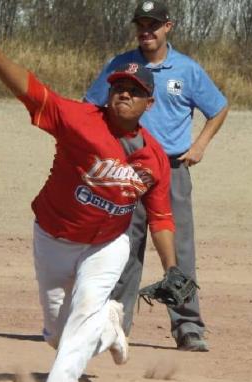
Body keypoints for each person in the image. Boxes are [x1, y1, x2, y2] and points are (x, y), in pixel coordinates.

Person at [0, 25, 180, 382]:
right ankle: (111, 324)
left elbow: (160, 217)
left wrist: (172, 268)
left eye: (136, 91)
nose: (125, 94)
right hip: (54, 238)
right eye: (118, 88)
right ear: (108, 94)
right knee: (58, 336)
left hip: (108, 245)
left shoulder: (155, 159)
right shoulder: (79, 120)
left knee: (81, 320)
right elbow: (32, 92)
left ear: (150, 103)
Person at [84, 0, 229, 352]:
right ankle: (114, 327)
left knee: (179, 252)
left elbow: (219, 106)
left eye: (153, 25)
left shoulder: (187, 69)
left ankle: (188, 327)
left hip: (171, 170)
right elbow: (90, 106)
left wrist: (200, 145)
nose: (146, 31)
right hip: (126, 171)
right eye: (141, 25)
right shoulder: (120, 66)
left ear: (168, 27)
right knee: (124, 249)